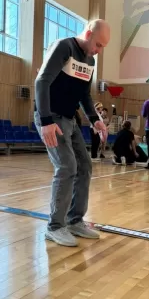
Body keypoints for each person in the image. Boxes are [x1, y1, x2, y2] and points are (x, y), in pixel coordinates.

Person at [34, 19, 110, 247]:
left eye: (103, 47)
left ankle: (74, 220)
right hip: (51, 118)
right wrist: (45, 121)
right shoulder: (64, 47)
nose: (99, 50)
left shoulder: (90, 61)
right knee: (67, 167)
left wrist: (95, 120)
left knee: (85, 166)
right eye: (98, 44)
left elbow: (84, 94)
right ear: (88, 34)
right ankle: (55, 226)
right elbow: (41, 81)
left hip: (70, 119)